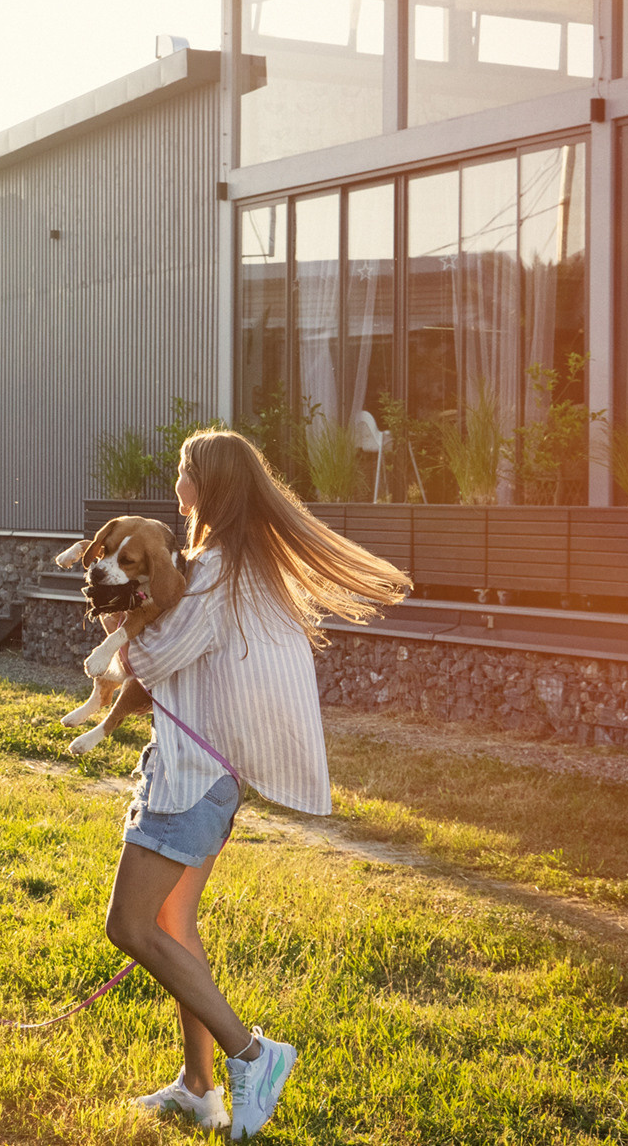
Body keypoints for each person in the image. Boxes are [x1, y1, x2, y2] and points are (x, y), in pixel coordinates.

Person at [101, 429, 408, 1139]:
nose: (175, 489)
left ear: (206, 487)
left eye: (182, 475)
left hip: (192, 781)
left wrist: (118, 610)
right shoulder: (241, 565)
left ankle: (252, 1054)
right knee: (175, 922)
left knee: (130, 924)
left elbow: (151, 661)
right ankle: (199, 1086)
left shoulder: (212, 571)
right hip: (214, 779)